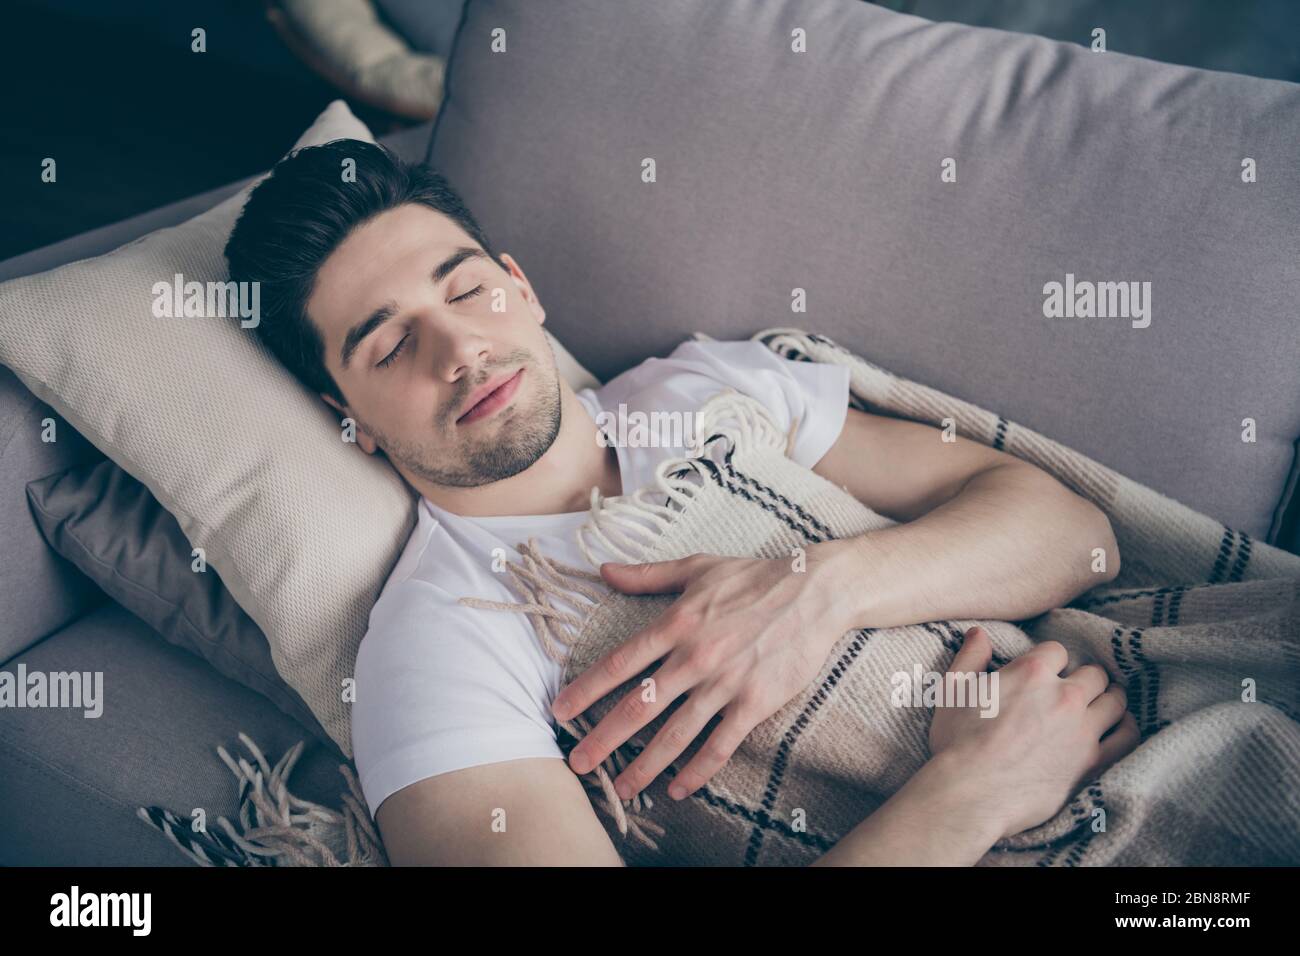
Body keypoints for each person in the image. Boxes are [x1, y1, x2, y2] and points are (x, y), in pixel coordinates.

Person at [224, 139, 1137, 865]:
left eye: (468, 290)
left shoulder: (706, 391)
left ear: (523, 288)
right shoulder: (438, 646)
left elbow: (1075, 535)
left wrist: (821, 588)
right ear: (353, 421)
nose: (459, 349)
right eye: (388, 350)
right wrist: (974, 792)